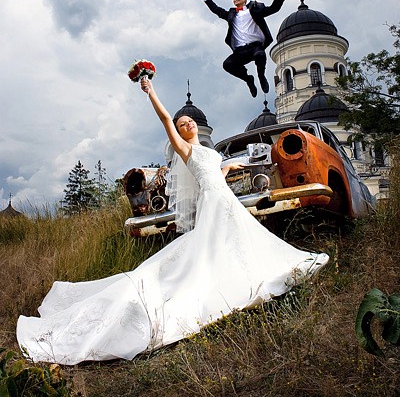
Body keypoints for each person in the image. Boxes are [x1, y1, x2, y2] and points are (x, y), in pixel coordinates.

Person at [16, 78, 328, 366]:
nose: (187, 123)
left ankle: (243, 276)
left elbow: (211, 175)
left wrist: (227, 170)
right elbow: (166, 120)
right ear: (178, 131)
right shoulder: (185, 148)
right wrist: (151, 92)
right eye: (182, 123)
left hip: (224, 197)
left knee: (233, 242)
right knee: (213, 248)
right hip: (214, 201)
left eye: (190, 121)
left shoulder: (209, 152)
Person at [197, 0, 288, 97]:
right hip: (240, 51)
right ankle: (248, 79)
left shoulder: (255, 10)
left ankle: (261, 76)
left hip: (255, 47)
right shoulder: (231, 14)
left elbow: (273, 8)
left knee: (260, 55)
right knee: (227, 64)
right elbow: (216, 9)